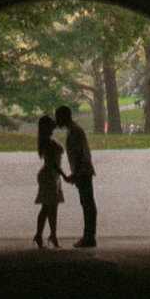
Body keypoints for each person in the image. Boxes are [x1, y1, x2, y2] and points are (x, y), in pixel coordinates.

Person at [53, 103, 97, 247]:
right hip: (82, 170)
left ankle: (89, 237)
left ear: (65, 117)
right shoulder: (73, 130)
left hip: (82, 171)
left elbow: (79, 153)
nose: (56, 121)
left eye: (58, 117)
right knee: (86, 203)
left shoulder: (75, 131)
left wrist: (75, 173)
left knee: (87, 203)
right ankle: (89, 235)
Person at [32, 114, 64, 248]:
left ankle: (48, 234)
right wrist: (64, 174)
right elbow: (52, 163)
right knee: (48, 207)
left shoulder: (48, 140)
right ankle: (46, 235)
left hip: (52, 175)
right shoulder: (49, 142)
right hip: (50, 175)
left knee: (49, 207)